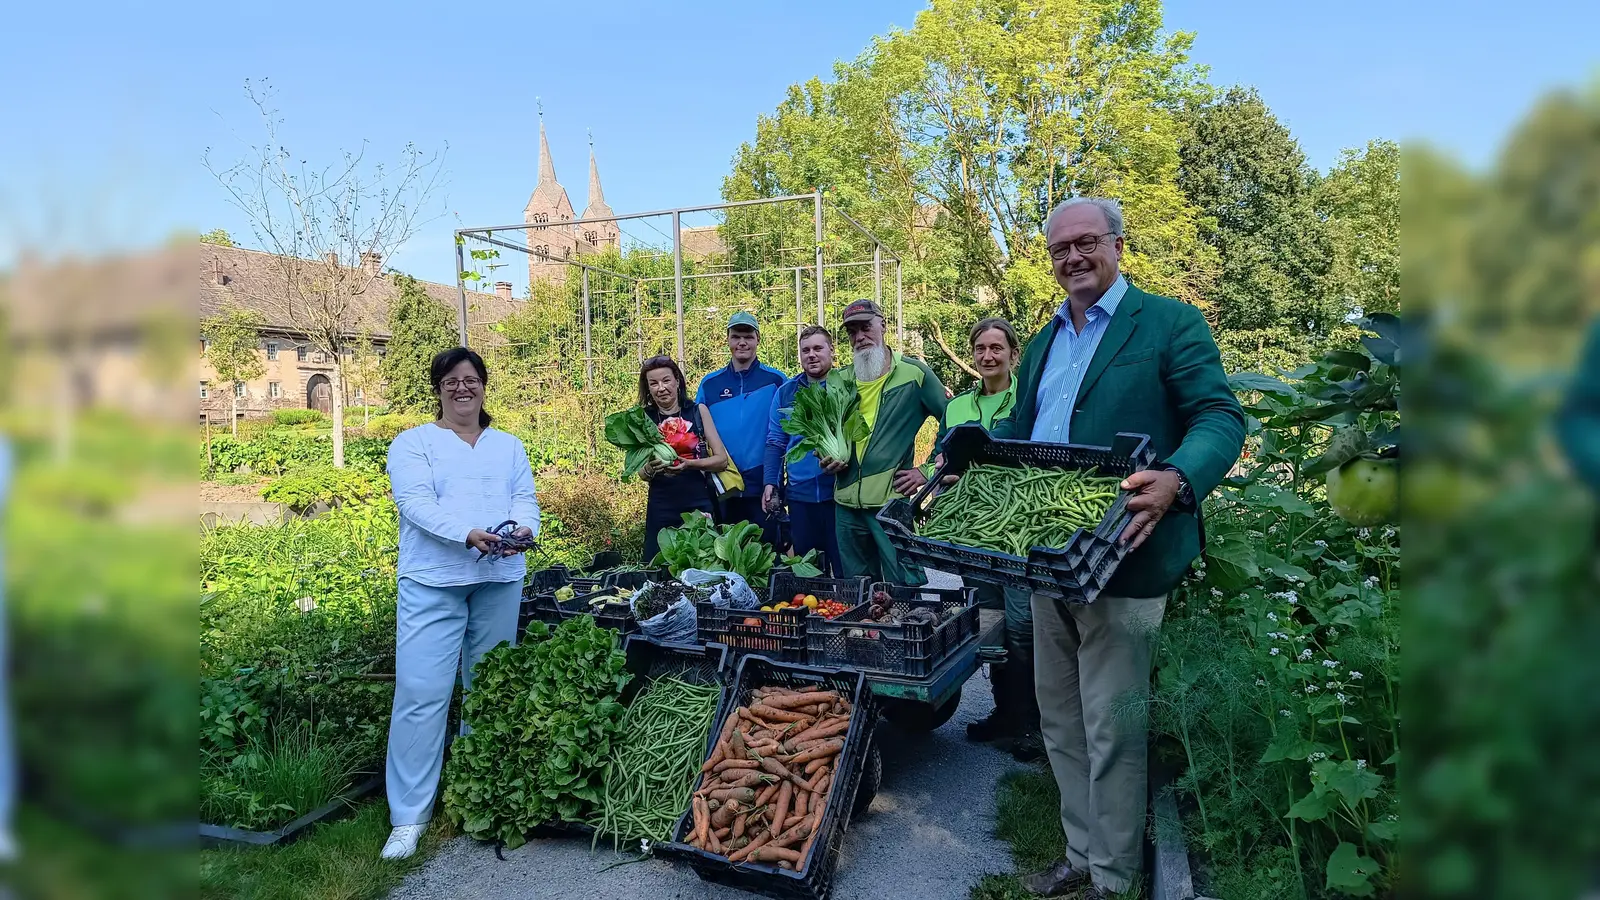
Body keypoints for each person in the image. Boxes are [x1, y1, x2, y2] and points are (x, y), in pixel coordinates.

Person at [986, 197, 1245, 898]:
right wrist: (970, 466)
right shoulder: (1042, 342)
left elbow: (1219, 415)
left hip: (1124, 557)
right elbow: (1018, 429)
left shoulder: (1166, 323)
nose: (1073, 257)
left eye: (1086, 242)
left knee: (1112, 725)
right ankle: (1079, 852)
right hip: (1047, 557)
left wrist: (1177, 479)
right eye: (1060, 248)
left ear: (1118, 245)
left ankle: (1117, 874)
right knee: (1061, 718)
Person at [381, 347, 541, 860]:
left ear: (484, 386)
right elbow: (414, 503)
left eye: (471, 379)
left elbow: (524, 498)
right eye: (452, 380)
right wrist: (466, 534)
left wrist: (523, 530)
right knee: (422, 692)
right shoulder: (415, 443)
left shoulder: (508, 446)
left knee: (489, 688)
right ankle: (408, 817)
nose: (462, 388)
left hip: (499, 577)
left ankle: (477, 794)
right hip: (434, 580)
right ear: (439, 388)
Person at [929, 318, 1041, 761]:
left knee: (1023, 626)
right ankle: (1004, 714)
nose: (988, 356)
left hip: (1017, 528)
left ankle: (1033, 724)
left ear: (1013, 354)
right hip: (973, 532)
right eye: (981, 348)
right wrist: (941, 470)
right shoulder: (957, 406)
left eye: (997, 348)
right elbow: (942, 453)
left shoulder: (1028, 401)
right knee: (989, 625)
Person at [818, 299, 948, 585]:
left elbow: (952, 420)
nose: (860, 337)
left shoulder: (915, 374)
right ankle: (867, 632)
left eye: (866, 327)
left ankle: (913, 628)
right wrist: (825, 457)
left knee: (906, 582)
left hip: (891, 503)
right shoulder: (839, 380)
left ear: (883, 326)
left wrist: (927, 471)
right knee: (859, 588)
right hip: (845, 504)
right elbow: (824, 433)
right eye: (852, 332)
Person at [696, 312, 787, 546]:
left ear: (758, 339)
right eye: (736, 337)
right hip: (723, 486)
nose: (742, 342)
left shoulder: (776, 380)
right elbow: (697, 434)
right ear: (727, 340)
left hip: (763, 486)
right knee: (726, 555)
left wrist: (775, 482)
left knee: (765, 554)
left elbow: (787, 432)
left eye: (748, 336)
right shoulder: (709, 384)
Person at [763, 325, 845, 576]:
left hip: (840, 494)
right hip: (800, 496)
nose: (811, 355)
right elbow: (775, 441)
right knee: (808, 572)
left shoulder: (847, 385)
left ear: (832, 350)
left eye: (818, 348)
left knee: (845, 569)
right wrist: (770, 483)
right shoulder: (787, 392)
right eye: (805, 350)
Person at [639, 355, 731, 562]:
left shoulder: (697, 411)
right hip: (661, 506)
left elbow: (721, 460)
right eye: (653, 383)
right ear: (648, 388)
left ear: (677, 381)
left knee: (702, 565)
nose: (661, 388)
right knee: (660, 569)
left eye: (666, 380)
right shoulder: (643, 419)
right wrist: (651, 468)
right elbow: (641, 473)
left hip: (698, 502)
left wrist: (690, 464)